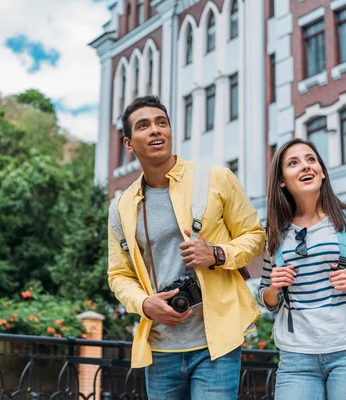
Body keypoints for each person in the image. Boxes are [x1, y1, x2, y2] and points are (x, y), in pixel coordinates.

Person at [107, 95, 265, 399]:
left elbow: (255, 235)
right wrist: (144, 304)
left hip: (216, 344)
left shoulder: (216, 178)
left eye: (161, 123)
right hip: (161, 347)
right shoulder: (121, 206)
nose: (155, 130)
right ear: (129, 143)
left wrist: (217, 254)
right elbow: (118, 275)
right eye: (144, 126)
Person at [258, 138, 346, 400]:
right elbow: (266, 297)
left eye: (311, 160)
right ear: (282, 180)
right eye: (293, 163)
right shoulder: (275, 232)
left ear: (322, 171)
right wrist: (273, 288)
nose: (305, 166)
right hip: (297, 357)